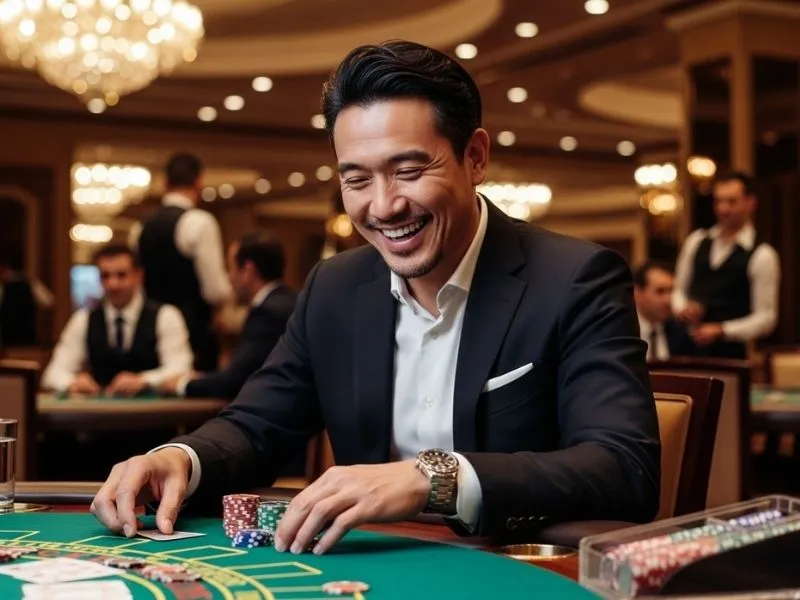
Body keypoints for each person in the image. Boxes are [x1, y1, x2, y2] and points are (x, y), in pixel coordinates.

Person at [90, 40, 660, 554]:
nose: (384, 206)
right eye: (357, 180)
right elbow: (256, 425)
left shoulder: (574, 278)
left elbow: (623, 467)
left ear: (475, 157)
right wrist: (178, 458)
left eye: (408, 170)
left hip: (511, 569)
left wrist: (432, 478)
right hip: (372, 568)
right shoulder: (334, 288)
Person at [42, 244, 193, 396]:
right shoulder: (83, 319)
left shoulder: (166, 316)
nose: (113, 284)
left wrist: (144, 380)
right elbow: (52, 374)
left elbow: (181, 367)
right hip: (100, 409)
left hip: (156, 409)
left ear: (139, 276)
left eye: (121, 275)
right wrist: (72, 382)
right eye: (105, 276)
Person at [161, 231, 298, 399]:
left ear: (247, 271)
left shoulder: (267, 314)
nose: (229, 278)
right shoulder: (293, 302)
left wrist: (182, 384)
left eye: (230, 268)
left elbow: (234, 382)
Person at [131, 153, 232, 372]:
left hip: (150, 334)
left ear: (165, 184)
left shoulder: (139, 228)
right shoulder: (200, 222)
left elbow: (138, 286)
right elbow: (215, 290)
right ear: (199, 183)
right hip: (193, 333)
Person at [672, 171, 780, 359]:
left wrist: (722, 330)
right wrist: (682, 309)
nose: (723, 209)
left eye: (731, 201)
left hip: (730, 356)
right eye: (718, 201)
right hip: (686, 350)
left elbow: (766, 318)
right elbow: (679, 290)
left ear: (750, 203)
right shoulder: (696, 241)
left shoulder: (762, 254)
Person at [633, 261, 691, 361]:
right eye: (660, 291)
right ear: (637, 292)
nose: (667, 299)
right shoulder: (620, 332)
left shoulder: (679, 332)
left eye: (671, 291)